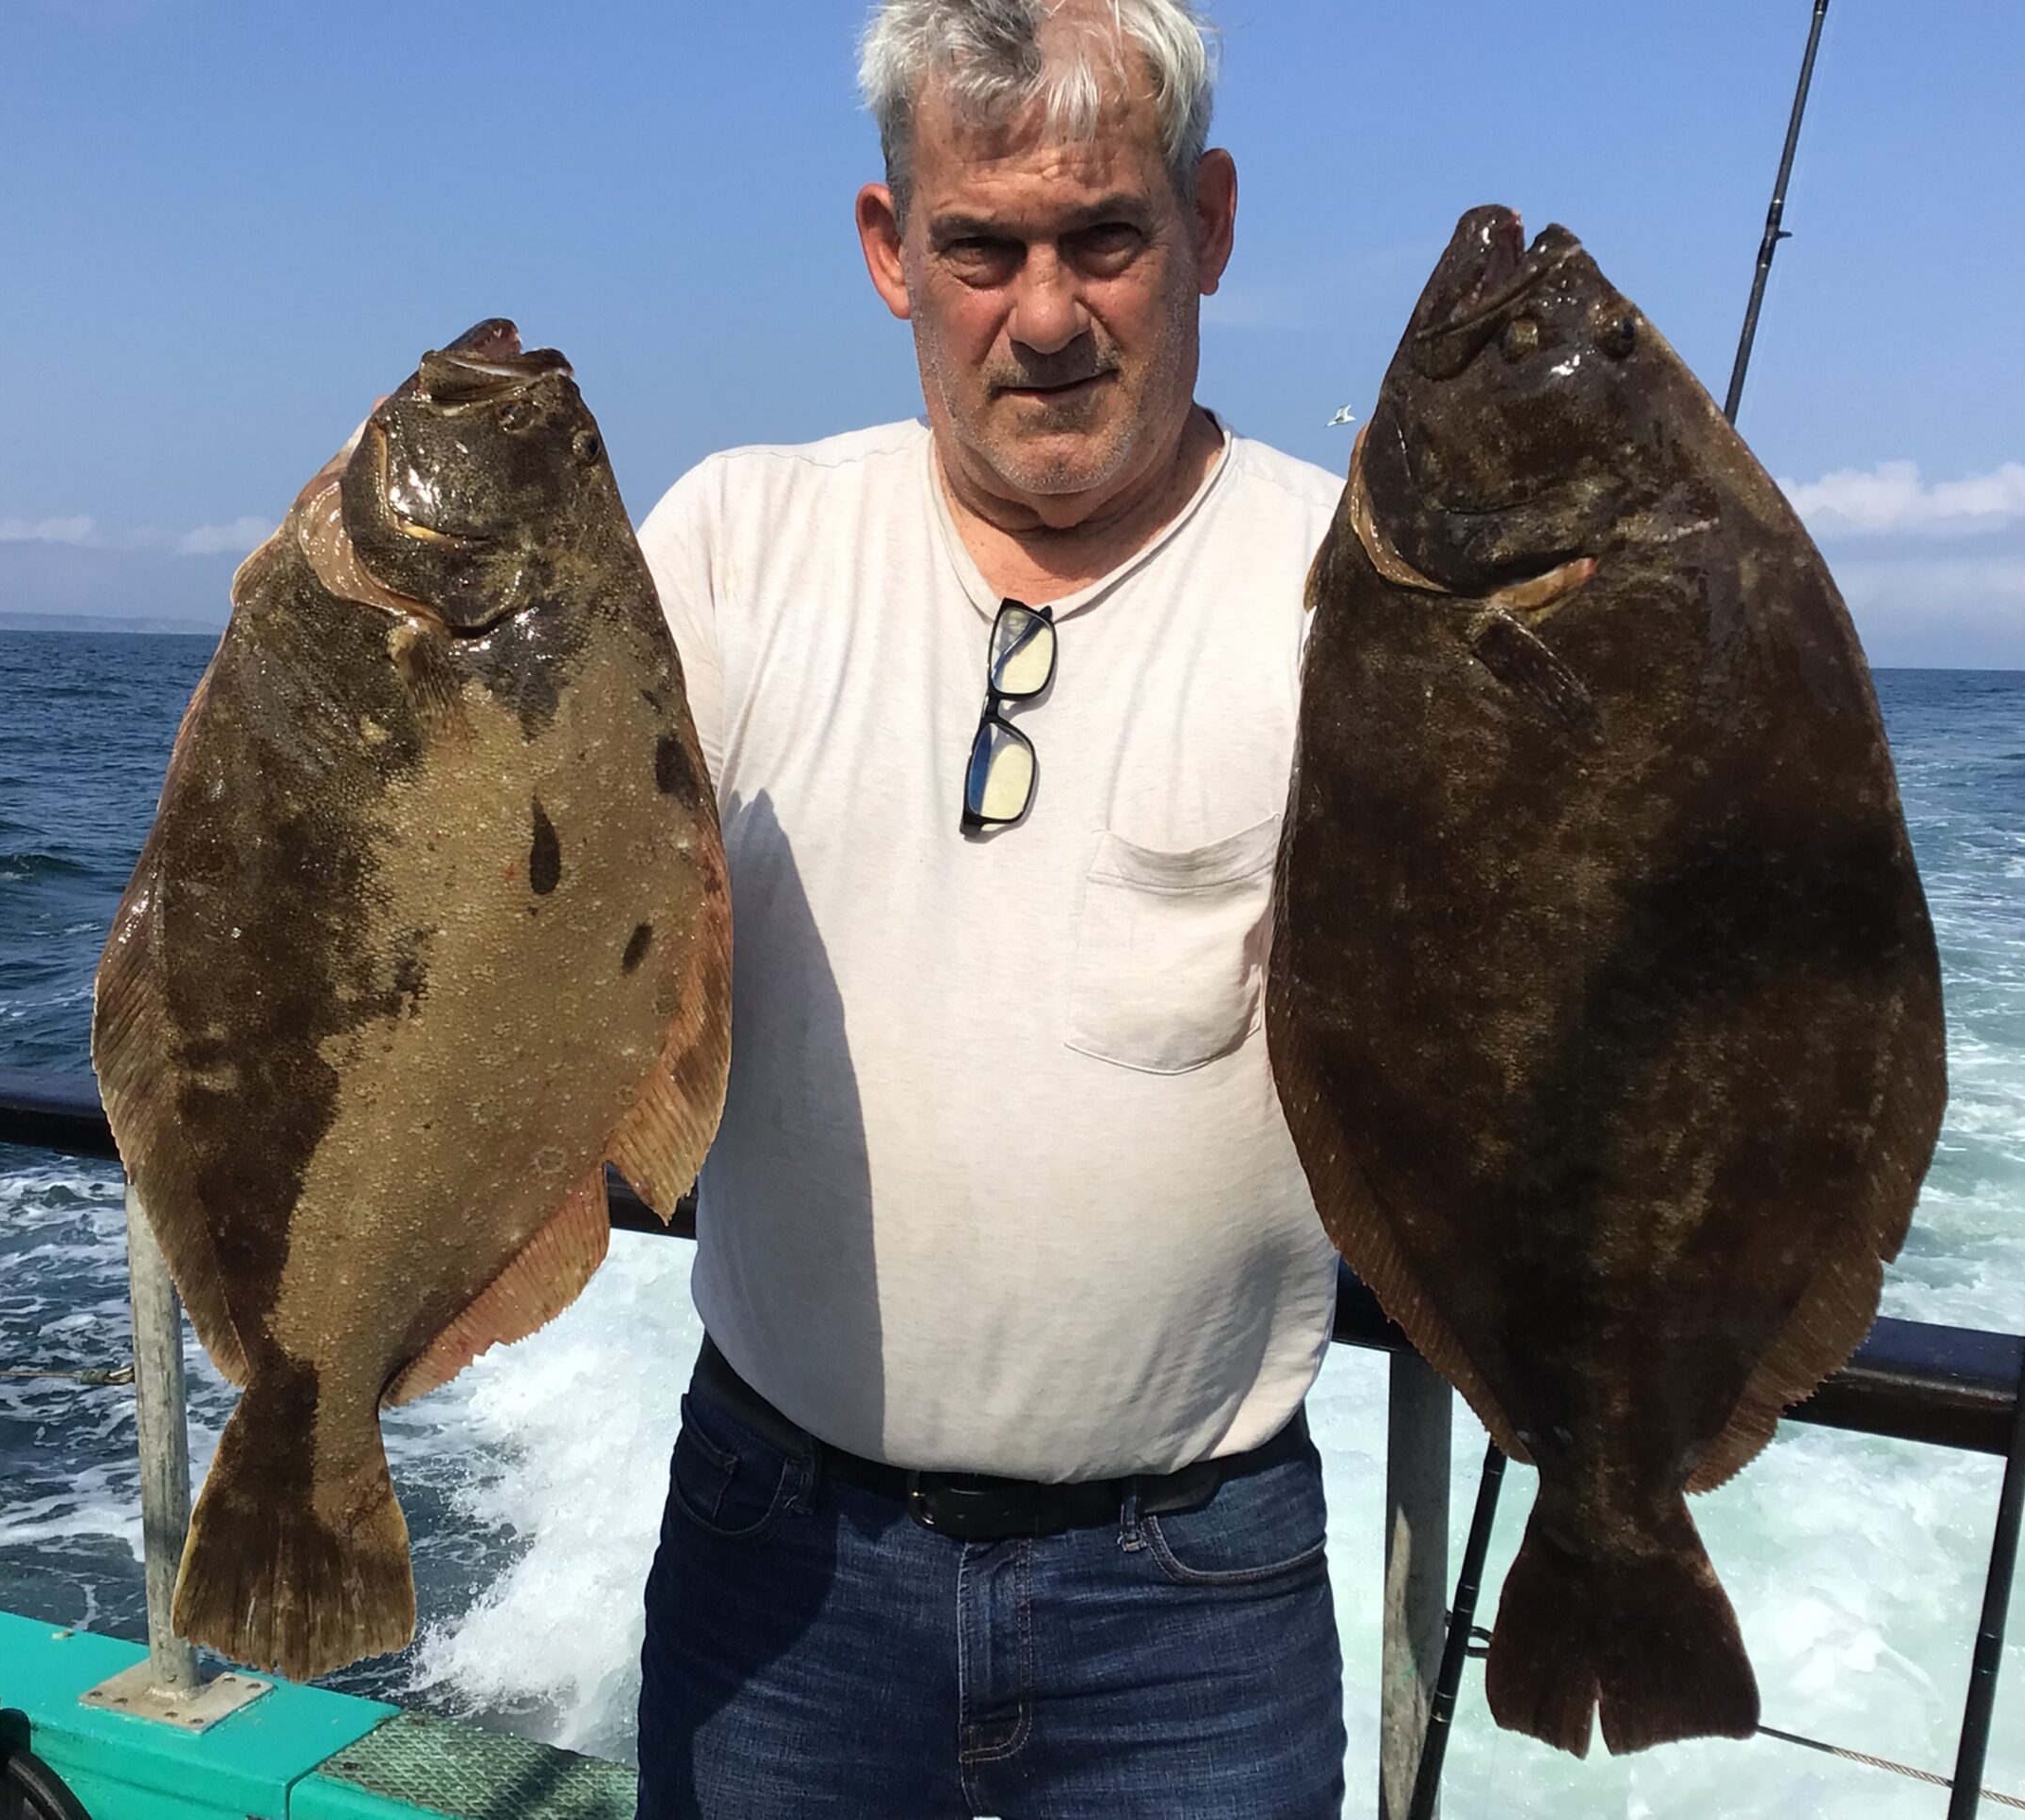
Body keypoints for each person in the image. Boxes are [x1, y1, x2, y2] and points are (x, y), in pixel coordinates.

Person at [631, 3, 1346, 1813]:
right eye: (981, 250)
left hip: (1199, 1598)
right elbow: (498, 898)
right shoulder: (728, 547)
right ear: (890, 250)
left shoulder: (1358, 595)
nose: (1044, 316)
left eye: (1104, 238)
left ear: (1210, 225)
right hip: (776, 1550)